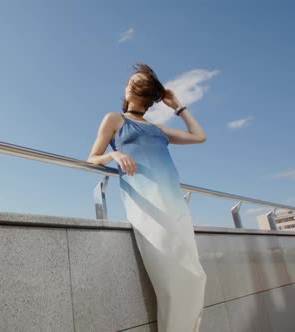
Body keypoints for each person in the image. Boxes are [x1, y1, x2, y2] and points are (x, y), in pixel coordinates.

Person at [87, 63, 208, 332]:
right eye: (131, 81)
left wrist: (177, 105)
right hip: (148, 207)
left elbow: (199, 137)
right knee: (173, 280)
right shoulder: (115, 120)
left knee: (195, 277)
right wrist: (113, 154)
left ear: (150, 96)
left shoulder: (158, 130)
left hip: (175, 206)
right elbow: (92, 157)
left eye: (137, 84)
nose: (130, 85)